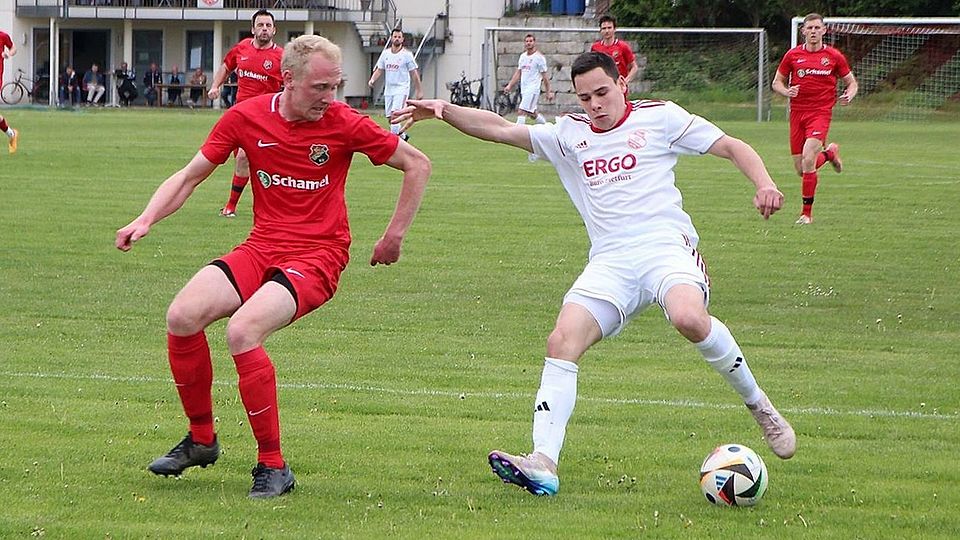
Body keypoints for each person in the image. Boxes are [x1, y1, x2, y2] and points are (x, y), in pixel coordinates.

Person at [393, 51, 796, 497]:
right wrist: (443, 109)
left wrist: (765, 183)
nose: (595, 104)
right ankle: (543, 462)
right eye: (585, 97)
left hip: (666, 248)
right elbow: (501, 128)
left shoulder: (660, 118)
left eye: (602, 92)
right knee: (561, 341)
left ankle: (760, 406)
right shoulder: (571, 133)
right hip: (610, 261)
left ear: (622, 84)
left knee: (689, 319)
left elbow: (731, 145)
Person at [115, 34, 431, 499]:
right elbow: (190, 176)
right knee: (182, 316)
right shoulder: (246, 117)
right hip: (262, 247)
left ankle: (273, 466)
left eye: (336, 86)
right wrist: (146, 218)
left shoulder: (343, 122)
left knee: (242, 332)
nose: (331, 98)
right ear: (288, 80)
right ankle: (202, 439)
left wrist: (393, 236)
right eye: (320, 88)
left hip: (318, 255)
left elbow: (417, 164)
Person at [772, 12, 858, 225]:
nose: (813, 32)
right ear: (803, 31)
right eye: (809, 28)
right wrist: (786, 91)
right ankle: (829, 154)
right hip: (797, 114)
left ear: (824, 30)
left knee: (809, 158)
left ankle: (806, 215)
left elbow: (851, 82)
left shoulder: (834, 56)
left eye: (817, 28)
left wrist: (849, 94)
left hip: (820, 113)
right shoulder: (792, 55)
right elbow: (776, 83)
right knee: (802, 169)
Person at [208, 9, 284, 218]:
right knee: (229, 156)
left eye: (268, 26)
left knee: (244, 158)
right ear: (253, 29)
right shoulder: (241, 48)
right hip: (239, 115)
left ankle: (231, 206)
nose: (264, 29)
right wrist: (215, 86)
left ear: (274, 30)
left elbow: (292, 83)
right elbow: (226, 66)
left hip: (265, 118)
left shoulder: (281, 57)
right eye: (260, 25)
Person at [502, 33, 554, 162]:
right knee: (533, 114)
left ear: (534, 42)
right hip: (525, 90)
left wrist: (549, 91)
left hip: (533, 89)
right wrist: (509, 85)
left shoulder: (539, 58)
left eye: (531, 41)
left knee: (521, 111)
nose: (528, 43)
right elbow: (518, 73)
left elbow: (545, 77)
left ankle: (517, 138)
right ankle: (551, 131)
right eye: (527, 41)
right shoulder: (523, 57)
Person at [367, 28, 423, 141]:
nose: (397, 39)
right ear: (391, 38)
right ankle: (402, 136)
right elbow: (380, 69)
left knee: (395, 115)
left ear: (402, 39)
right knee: (390, 118)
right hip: (389, 89)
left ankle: (394, 142)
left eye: (399, 37)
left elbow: (414, 73)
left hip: (401, 89)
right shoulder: (385, 54)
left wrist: (419, 90)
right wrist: (372, 79)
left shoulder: (406, 55)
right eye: (395, 36)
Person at [590, 15, 638, 87]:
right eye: (604, 28)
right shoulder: (595, 47)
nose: (607, 31)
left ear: (614, 29)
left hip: (618, 86)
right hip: (603, 86)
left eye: (609, 28)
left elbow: (634, 67)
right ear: (600, 30)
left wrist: (626, 80)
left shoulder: (623, 46)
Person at [1, 30, 19, 154]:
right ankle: (11, 134)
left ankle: (12, 134)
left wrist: (8, 54)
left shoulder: (2, 36)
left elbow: (13, 48)